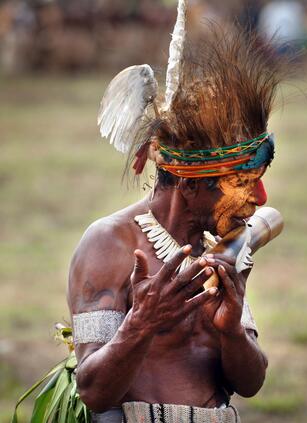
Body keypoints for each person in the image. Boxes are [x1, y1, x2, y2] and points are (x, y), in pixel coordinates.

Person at [67, 1, 284, 421]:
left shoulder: (221, 246)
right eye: (240, 182)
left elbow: (251, 383)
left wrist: (232, 330)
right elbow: (93, 390)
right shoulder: (110, 244)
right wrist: (141, 325)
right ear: (187, 184)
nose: (260, 196)